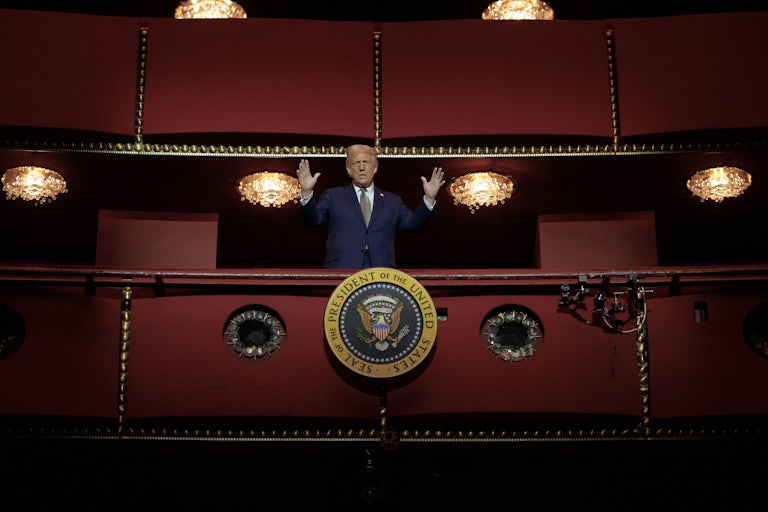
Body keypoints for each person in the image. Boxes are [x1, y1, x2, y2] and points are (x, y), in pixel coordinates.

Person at [297, 143, 445, 269]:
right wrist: (307, 192)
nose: (362, 168)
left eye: (366, 163)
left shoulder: (392, 201)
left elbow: (413, 225)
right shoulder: (333, 196)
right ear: (349, 170)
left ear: (375, 168)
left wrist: (429, 198)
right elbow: (313, 220)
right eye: (356, 163)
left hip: (381, 271)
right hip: (343, 270)